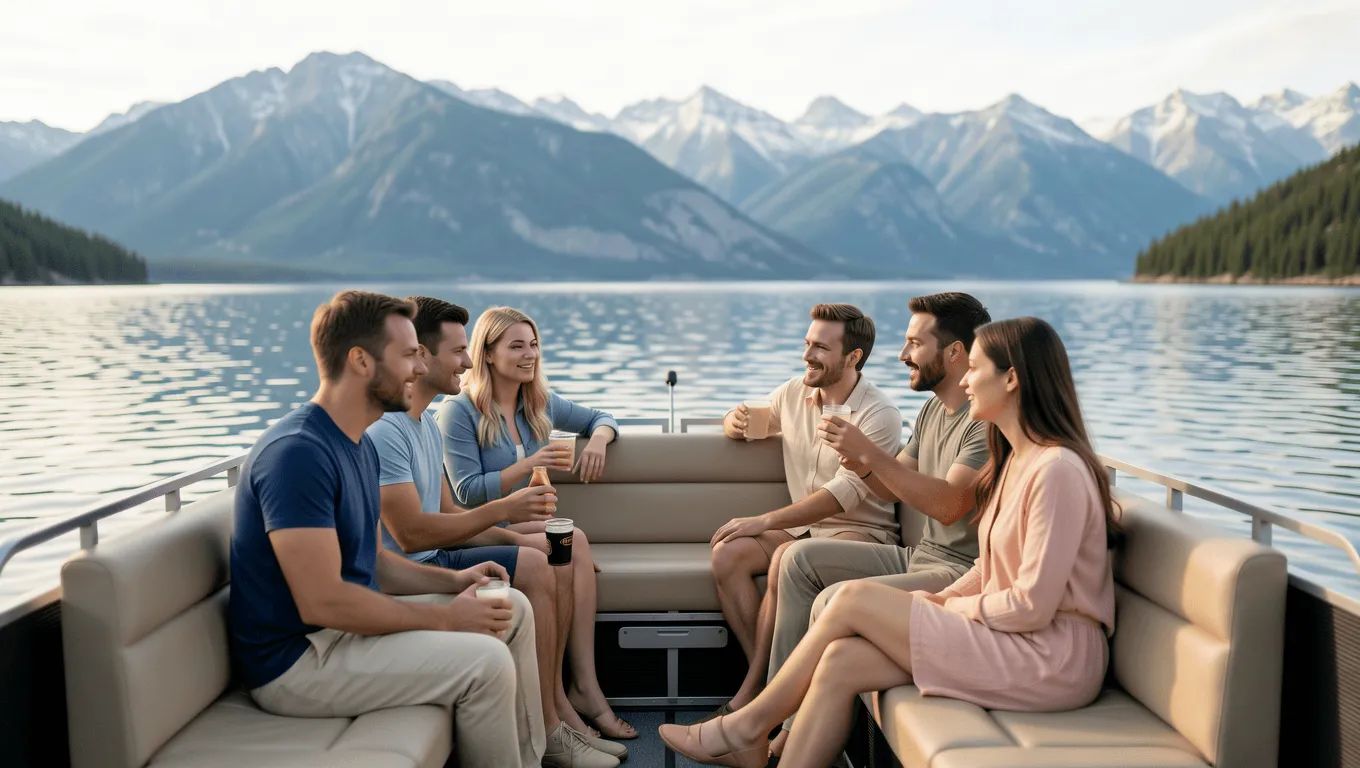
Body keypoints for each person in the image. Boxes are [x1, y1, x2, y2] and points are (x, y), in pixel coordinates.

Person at [660, 316, 1119, 767]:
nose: (968, 381)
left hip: (1052, 659)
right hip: (1014, 638)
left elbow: (1031, 607)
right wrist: (936, 599)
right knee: (843, 660)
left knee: (854, 599)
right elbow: (987, 567)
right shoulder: (1016, 460)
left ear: (1013, 379)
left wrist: (943, 610)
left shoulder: (1056, 470)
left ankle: (745, 727)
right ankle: (763, 737)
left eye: (976, 369)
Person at [227, 290, 544, 768]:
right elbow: (323, 601)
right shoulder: (298, 454)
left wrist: (455, 582)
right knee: (485, 663)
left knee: (509, 606)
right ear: (360, 361)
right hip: (298, 661)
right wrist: (445, 618)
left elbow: (373, 561)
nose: (418, 370)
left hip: (343, 633)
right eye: (408, 356)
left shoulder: (355, 444)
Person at [368, 297, 624, 767]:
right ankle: (553, 723)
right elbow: (421, 529)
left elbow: (443, 514)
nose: (464, 364)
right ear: (419, 356)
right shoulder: (426, 421)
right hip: (414, 567)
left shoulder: (424, 422)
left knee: (557, 546)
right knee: (540, 557)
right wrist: (511, 505)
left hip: (448, 545)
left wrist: (514, 536)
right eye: (459, 352)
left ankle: (568, 703)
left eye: (534, 345)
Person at [762, 292, 993, 756]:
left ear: (953, 353)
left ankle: (778, 730)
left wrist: (868, 452)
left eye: (914, 343)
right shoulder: (932, 411)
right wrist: (863, 462)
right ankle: (774, 724)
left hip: (960, 571)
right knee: (798, 559)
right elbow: (890, 488)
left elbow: (950, 506)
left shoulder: (983, 423)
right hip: (920, 555)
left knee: (831, 600)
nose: (903, 354)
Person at [437, 305, 636, 742]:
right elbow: (466, 492)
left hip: (522, 525)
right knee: (574, 542)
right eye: (516, 346)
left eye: (533, 344)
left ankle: (580, 686)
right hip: (473, 529)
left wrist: (599, 441)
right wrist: (528, 464)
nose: (529, 355)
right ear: (487, 354)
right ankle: (567, 698)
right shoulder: (458, 412)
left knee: (574, 541)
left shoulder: (538, 402)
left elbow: (602, 418)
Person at [712, 303, 902, 718]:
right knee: (728, 554)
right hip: (806, 530)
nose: (807, 355)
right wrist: (735, 421)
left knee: (784, 556)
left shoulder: (879, 414)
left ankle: (756, 694)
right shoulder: (795, 393)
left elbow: (844, 495)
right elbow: (740, 419)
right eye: (807, 343)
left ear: (853, 358)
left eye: (820, 347)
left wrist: (765, 520)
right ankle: (769, 682)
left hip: (859, 533)